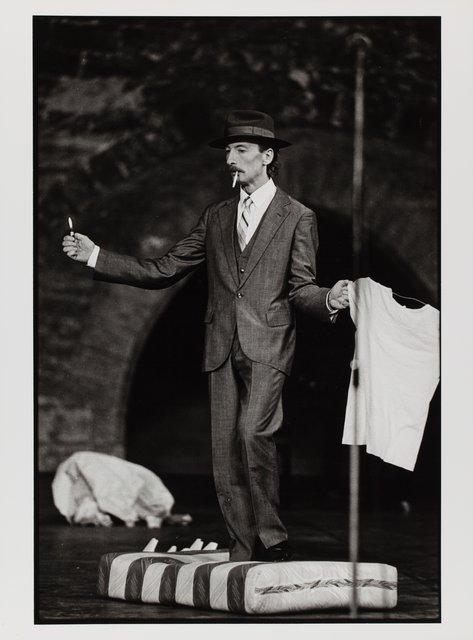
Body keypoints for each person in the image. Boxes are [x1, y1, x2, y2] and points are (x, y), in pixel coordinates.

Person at [62, 110, 350, 561]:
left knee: (254, 433)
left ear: (266, 156)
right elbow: (164, 269)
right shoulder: (216, 217)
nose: (230, 161)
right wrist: (96, 255)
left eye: (240, 151)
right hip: (220, 346)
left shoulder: (298, 217)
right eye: (228, 152)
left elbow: (301, 288)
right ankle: (241, 544)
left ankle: (272, 539)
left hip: (268, 345)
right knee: (224, 450)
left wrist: (330, 299)